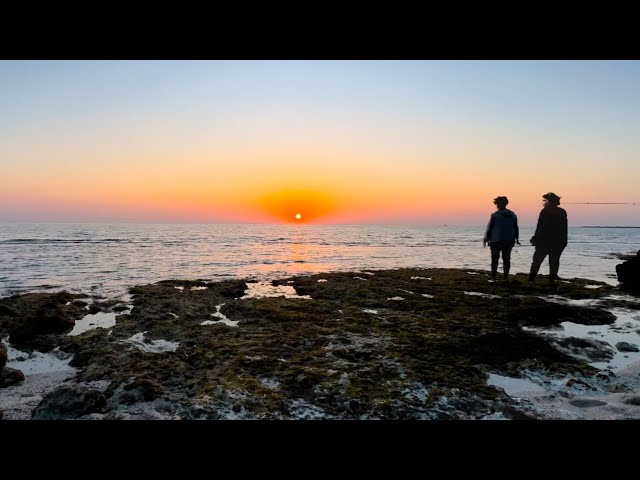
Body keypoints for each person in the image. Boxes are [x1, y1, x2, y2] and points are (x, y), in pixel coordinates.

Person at [528, 192, 568, 283]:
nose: (544, 202)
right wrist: (564, 241)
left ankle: (531, 279)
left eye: (545, 200)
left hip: (544, 242)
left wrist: (535, 239)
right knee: (554, 261)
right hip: (558, 242)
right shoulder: (562, 212)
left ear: (550, 201)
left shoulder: (545, 211)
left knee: (537, 261)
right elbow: (564, 229)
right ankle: (552, 279)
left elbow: (540, 227)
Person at [483, 196, 520, 282]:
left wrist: (486, 238)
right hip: (509, 240)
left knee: (495, 259)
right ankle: (505, 277)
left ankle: (493, 277)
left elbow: (490, 228)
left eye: (497, 203)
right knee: (506, 259)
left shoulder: (495, 215)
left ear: (498, 204)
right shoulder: (512, 215)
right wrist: (517, 239)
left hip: (496, 240)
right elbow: (515, 228)